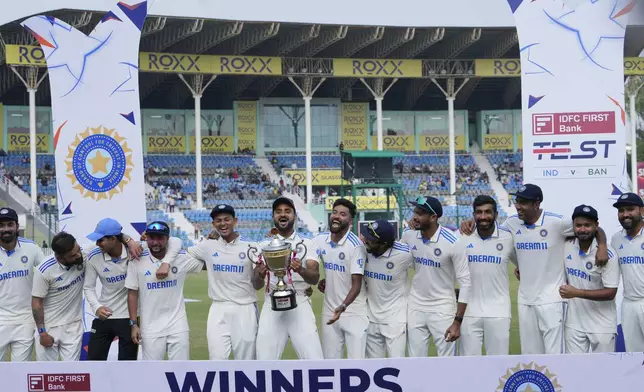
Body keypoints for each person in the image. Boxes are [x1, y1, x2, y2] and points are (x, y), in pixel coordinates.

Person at [460, 184, 609, 355]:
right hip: (525, 301)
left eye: (523, 202)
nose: (518, 206)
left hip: (552, 299)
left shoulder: (557, 223)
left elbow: (593, 227)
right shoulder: (512, 223)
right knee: (530, 356)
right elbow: (490, 229)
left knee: (555, 356)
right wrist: (471, 222)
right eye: (517, 201)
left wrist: (602, 246)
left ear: (536, 204)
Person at [83, 218, 180, 361]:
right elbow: (88, 286)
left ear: (114, 239)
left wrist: (165, 262)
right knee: (93, 362)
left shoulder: (138, 249)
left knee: (127, 366)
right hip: (104, 316)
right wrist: (96, 307)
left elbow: (175, 241)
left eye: (101, 240)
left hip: (130, 319)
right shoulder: (94, 255)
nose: (97, 244)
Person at [187, 204, 259, 360]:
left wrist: (260, 273)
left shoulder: (251, 247)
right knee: (217, 360)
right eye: (218, 220)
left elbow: (258, 283)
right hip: (218, 308)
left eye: (227, 219)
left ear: (235, 221)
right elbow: (186, 255)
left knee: (246, 362)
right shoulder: (207, 245)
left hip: (245, 308)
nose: (223, 223)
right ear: (213, 224)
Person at [254, 197, 323, 360]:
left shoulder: (307, 243)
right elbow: (256, 285)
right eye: (278, 212)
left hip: (299, 302)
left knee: (314, 360)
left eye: (287, 211)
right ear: (273, 216)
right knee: (264, 362)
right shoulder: (263, 245)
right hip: (271, 303)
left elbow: (314, 278)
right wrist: (260, 274)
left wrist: (300, 269)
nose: (283, 215)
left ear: (294, 216)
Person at [402, 196, 470, 357]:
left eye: (421, 213)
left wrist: (457, 322)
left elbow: (466, 283)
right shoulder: (408, 236)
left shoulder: (453, 241)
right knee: (415, 360)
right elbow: (399, 261)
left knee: (447, 362)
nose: (415, 217)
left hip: (442, 308)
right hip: (415, 306)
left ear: (433, 217)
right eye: (415, 212)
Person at [126, 221, 204, 360]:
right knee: (152, 372)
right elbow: (132, 293)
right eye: (152, 238)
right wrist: (133, 324)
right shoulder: (137, 259)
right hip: (150, 326)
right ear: (146, 238)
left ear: (168, 239)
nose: (155, 242)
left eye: (160, 238)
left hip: (178, 325)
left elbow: (206, 261)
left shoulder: (180, 258)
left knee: (181, 370)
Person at [458, 196, 516, 356]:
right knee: (468, 366)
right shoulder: (462, 235)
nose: (483, 217)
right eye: (479, 212)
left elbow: (523, 262)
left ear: (496, 214)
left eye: (488, 212)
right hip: (469, 312)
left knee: (498, 366)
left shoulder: (508, 237)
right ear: (473, 214)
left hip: (499, 312)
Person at [561, 205, 618, 354]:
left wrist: (577, 292)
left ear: (596, 226)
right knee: (574, 370)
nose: (582, 229)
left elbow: (610, 293)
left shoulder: (608, 255)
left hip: (602, 325)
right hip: (574, 324)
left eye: (587, 225)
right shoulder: (566, 245)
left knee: (604, 371)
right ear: (573, 226)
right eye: (578, 225)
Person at [315, 198, 368, 359]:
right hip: (330, 312)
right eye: (334, 212)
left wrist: (343, 306)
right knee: (330, 365)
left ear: (350, 221)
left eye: (342, 214)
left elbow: (356, 285)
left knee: (356, 366)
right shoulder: (320, 240)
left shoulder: (356, 246)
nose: (337, 216)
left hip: (353, 313)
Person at [360, 219, 413, 358]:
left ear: (384, 244)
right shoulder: (363, 251)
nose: (366, 240)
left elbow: (428, 265)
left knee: (397, 366)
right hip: (370, 318)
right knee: (373, 367)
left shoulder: (405, 254)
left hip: (395, 320)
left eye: (371, 239)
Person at [0, 207, 45, 361]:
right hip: (1, 318)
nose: (6, 229)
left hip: (25, 319)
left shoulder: (31, 248)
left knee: (19, 370)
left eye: (10, 224)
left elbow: (48, 273)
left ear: (17, 226)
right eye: (1, 225)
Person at [610, 193, 644, 351]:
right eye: (621, 210)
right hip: (629, 303)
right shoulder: (616, 239)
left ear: (641, 211)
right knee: (634, 355)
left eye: (630, 209)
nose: (625, 214)